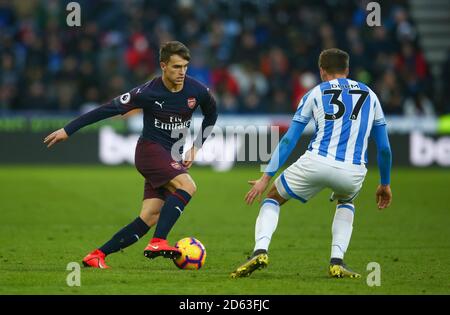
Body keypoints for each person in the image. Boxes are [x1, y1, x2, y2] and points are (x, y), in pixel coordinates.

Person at [44, 41, 218, 269]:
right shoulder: (147, 92)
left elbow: (211, 115)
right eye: (176, 67)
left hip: (170, 156)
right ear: (163, 66)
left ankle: (97, 255)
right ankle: (158, 242)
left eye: (185, 66)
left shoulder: (197, 90)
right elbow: (107, 109)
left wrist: (196, 146)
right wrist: (69, 129)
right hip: (150, 151)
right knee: (188, 185)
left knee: (150, 216)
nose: (182, 72)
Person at [230, 48, 392, 278]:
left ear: (322, 71)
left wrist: (266, 177)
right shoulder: (371, 95)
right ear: (347, 70)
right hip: (353, 170)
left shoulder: (315, 93)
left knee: (273, 196)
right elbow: (384, 149)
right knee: (346, 201)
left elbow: (289, 139)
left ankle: (260, 250)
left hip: (316, 161)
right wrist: (384, 183)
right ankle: (337, 261)